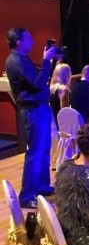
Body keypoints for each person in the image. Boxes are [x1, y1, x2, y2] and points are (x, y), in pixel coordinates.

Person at [5, 28, 56, 208]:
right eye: (28, 38)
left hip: (39, 107)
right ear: (19, 42)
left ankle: (41, 186)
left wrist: (50, 61)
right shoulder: (15, 61)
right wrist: (46, 60)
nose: (32, 41)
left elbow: (40, 78)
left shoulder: (23, 59)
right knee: (35, 152)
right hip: (33, 110)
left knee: (44, 150)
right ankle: (27, 196)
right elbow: (37, 83)